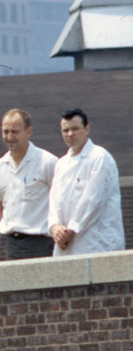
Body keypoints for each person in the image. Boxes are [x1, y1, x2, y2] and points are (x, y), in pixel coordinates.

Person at [48, 108, 125, 256]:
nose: (70, 134)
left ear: (87, 128)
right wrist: (55, 227)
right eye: (66, 130)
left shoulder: (99, 157)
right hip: (66, 245)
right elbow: (54, 200)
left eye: (75, 129)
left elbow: (92, 200)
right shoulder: (62, 163)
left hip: (98, 243)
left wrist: (71, 230)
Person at [0, 109, 58, 261]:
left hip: (43, 244)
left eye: (15, 132)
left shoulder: (47, 162)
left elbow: (62, 200)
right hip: (12, 245)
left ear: (28, 131)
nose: (9, 137)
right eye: (5, 132)